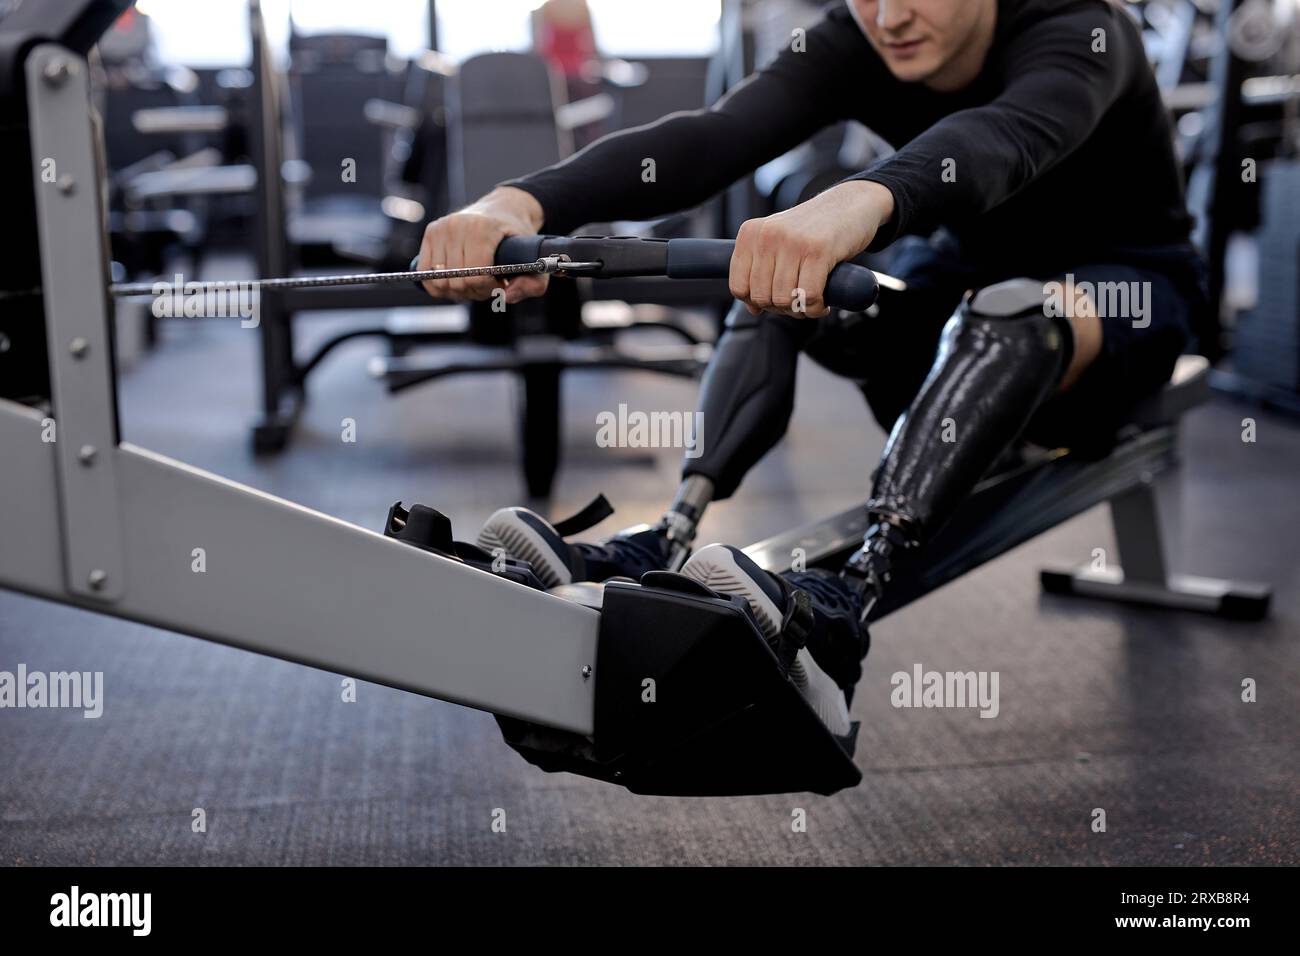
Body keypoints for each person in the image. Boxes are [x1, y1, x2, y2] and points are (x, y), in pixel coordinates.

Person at [416, 0, 1204, 739]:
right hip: (955, 296)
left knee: (1017, 307)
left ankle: (843, 611)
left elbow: (1003, 139)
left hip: (1123, 299)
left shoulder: (1083, 29)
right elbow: (710, 138)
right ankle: (662, 537)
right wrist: (520, 204)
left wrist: (858, 201)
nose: (888, 16)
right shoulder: (860, 39)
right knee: (781, 281)